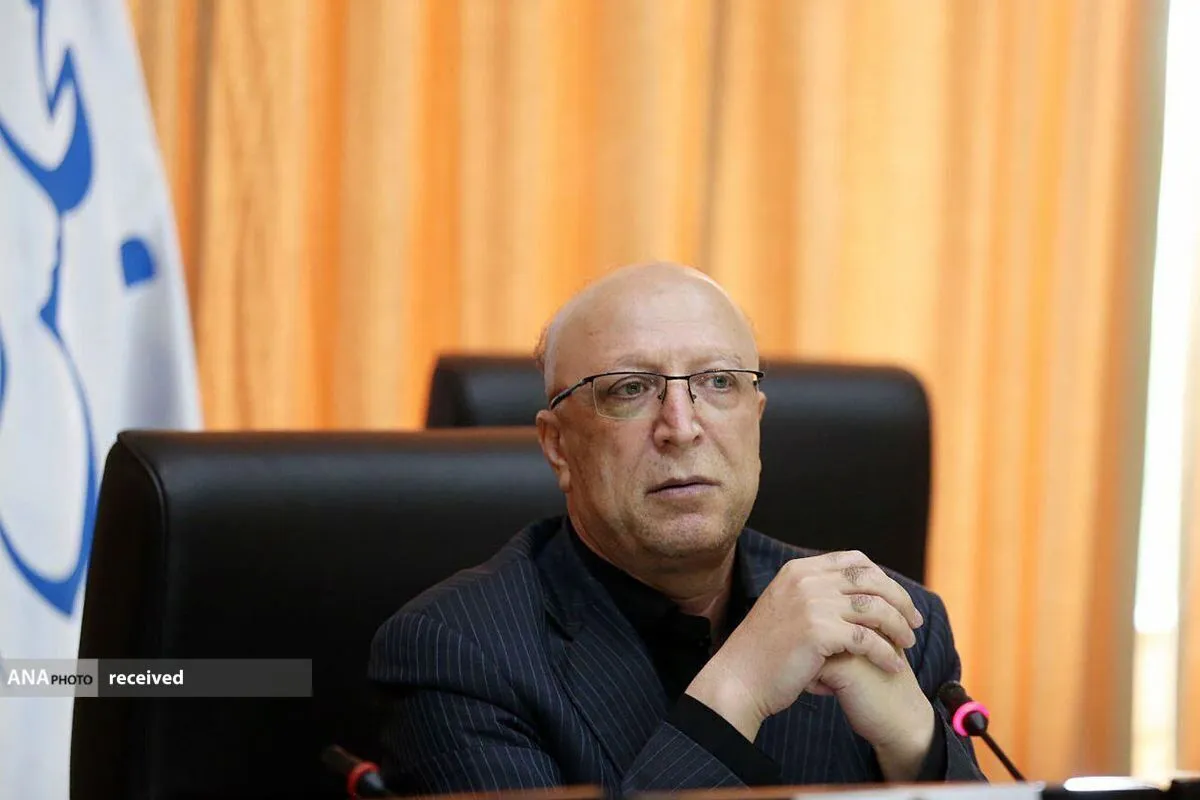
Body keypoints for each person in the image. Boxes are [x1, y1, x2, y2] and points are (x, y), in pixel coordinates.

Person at [369, 263, 984, 794]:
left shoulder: (890, 623)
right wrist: (737, 686)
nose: (682, 427)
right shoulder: (456, 654)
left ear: (756, 421)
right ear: (558, 446)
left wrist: (918, 751)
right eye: (630, 389)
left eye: (718, 382)